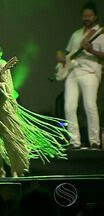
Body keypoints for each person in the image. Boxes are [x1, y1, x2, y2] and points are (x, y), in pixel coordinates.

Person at [0, 37, 69, 177]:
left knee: (12, 139)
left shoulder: (1, 64)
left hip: (3, 108)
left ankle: (17, 171)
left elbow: (9, 87)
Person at [56, 2, 104, 149]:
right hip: (72, 72)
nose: (86, 18)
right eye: (84, 16)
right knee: (69, 107)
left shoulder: (101, 34)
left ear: (95, 17)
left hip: (89, 72)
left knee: (90, 106)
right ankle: (74, 141)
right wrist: (61, 56)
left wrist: (91, 51)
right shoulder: (76, 34)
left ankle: (95, 141)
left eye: (89, 15)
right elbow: (68, 52)